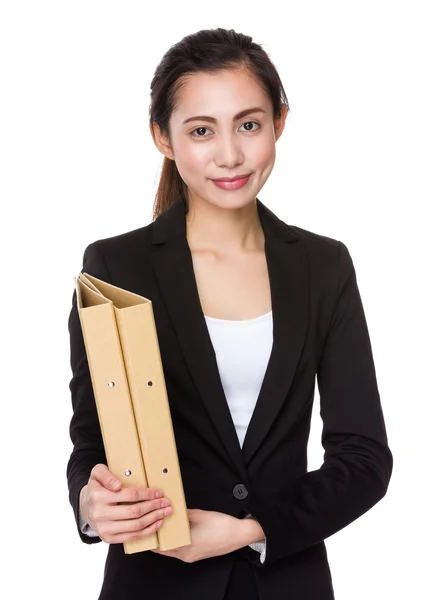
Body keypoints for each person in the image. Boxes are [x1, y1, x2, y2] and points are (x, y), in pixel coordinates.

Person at [67, 27, 393, 600]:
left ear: (279, 124)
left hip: (288, 583)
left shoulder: (324, 265)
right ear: (162, 139)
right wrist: (92, 504)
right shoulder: (114, 265)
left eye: (249, 124)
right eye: (200, 131)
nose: (230, 155)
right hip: (154, 582)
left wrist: (253, 529)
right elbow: (94, 442)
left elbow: (364, 459)